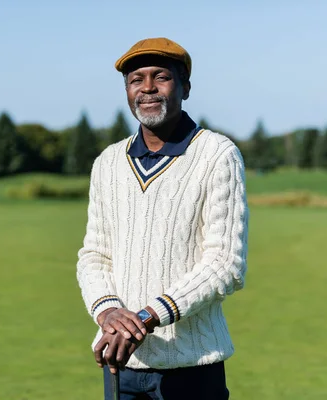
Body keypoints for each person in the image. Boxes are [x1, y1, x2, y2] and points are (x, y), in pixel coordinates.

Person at [76, 37, 249, 400]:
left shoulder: (217, 154)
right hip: (120, 362)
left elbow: (225, 264)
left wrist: (147, 317)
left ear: (185, 87)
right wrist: (108, 312)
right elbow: (94, 256)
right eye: (136, 79)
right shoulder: (108, 161)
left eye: (161, 77)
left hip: (193, 366)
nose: (148, 88)